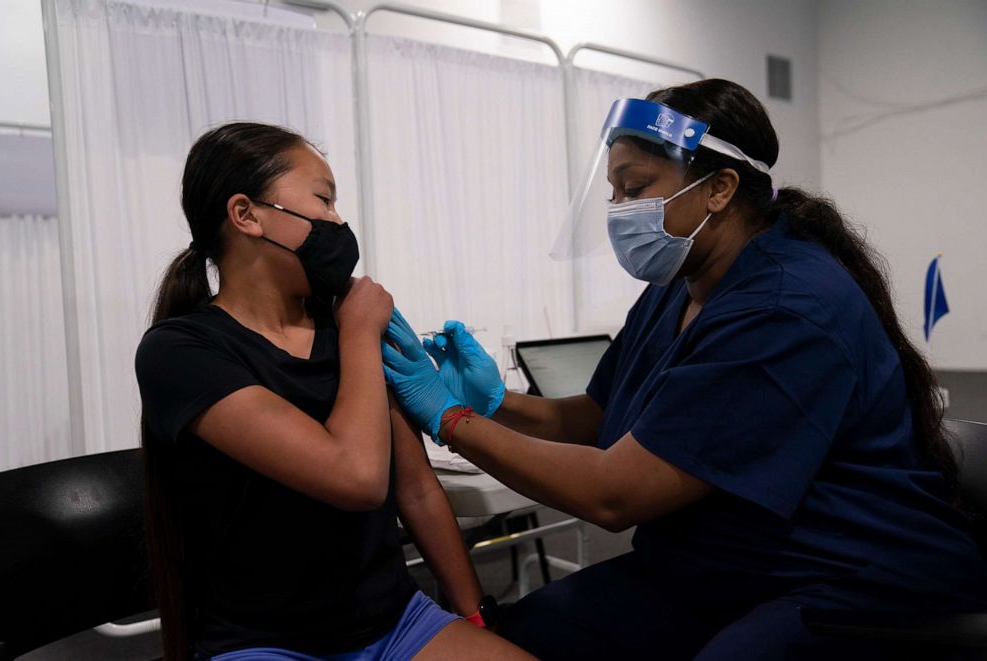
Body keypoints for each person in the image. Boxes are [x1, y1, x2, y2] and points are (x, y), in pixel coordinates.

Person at [381, 79, 987, 660]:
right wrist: (497, 403)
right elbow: (598, 417)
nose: (619, 209)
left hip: (845, 573)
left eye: (636, 186)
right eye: (613, 190)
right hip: (718, 564)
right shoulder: (683, 281)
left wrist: (449, 417)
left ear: (720, 188)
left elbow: (615, 495)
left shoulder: (785, 307)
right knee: (517, 638)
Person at [135, 122, 529, 661]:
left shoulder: (340, 327)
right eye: (323, 199)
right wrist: (361, 333)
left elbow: (415, 489)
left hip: (396, 621)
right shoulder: (181, 353)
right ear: (245, 214)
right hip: (266, 642)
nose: (338, 222)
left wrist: (474, 614)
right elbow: (358, 478)